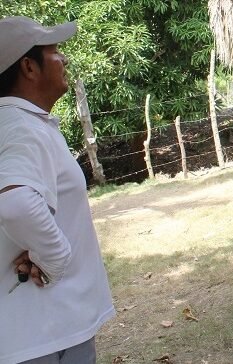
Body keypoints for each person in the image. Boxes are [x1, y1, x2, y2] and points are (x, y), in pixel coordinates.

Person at [0, 16, 114, 364]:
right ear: (29, 67)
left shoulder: (19, 124)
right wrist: (55, 259)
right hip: (46, 335)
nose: (63, 60)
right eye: (54, 51)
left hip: (35, 332)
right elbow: (15, 203)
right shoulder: (21, 128)